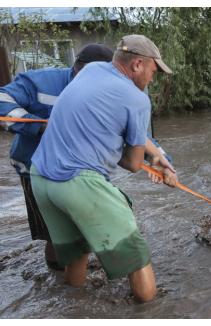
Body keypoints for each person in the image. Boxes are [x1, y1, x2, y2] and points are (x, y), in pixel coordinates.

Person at [30, 34, 176, 303]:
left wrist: (157, 156)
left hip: (40, 179)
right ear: (137, 65)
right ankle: (152, 311)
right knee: (136, 255)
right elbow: (132, 164)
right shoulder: (137, 99)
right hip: (78, 182)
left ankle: (76, 309)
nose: (153, 79)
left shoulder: (92, 70)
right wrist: (141, 159)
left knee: (77, 253)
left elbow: (104, 121)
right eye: (154, 71)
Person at [0, 43, 114, 270]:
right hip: (35, 169)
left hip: (83, 170)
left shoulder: (110, 91)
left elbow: (133, 134)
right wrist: (40, 127)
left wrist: (159, 159)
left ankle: (73, 275)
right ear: (78, 69)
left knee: (88, 225)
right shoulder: (41, 82)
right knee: (53, 232)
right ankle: (58, 278)